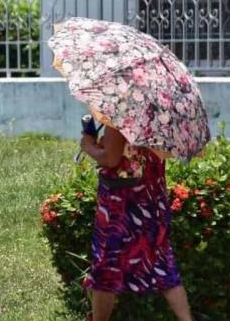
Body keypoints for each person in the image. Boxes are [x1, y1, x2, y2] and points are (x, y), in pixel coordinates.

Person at [80, 125, 193, 321]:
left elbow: (111, 159)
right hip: (153, 198)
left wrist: (88, 145)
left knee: (107, 267)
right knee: (162, 263)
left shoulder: (121, 113)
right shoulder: (159, 114)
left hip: (121, 206)